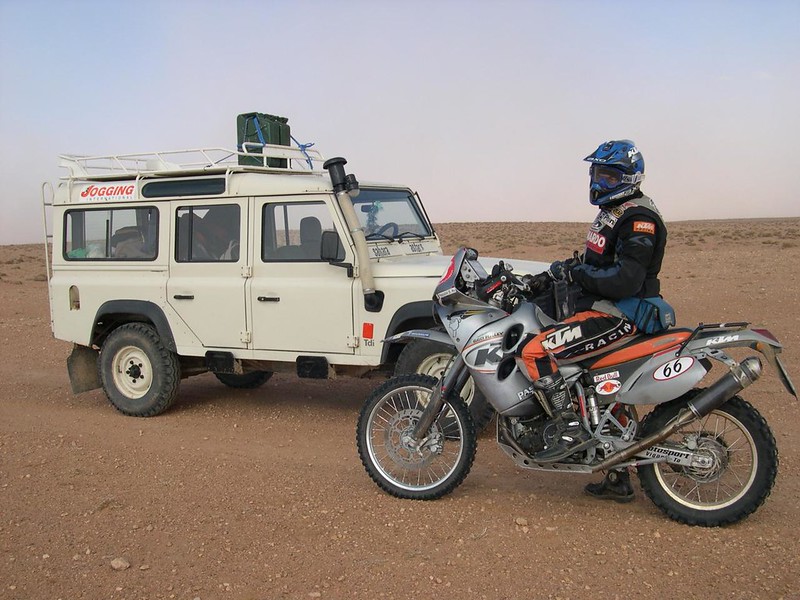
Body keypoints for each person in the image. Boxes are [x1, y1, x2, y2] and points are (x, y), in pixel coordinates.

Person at [519, 139, 667, 502]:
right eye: (596, 172)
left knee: (536, 352)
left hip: (620, 314)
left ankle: (568, 429)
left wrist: (578, 278)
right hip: (604, 308)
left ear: (628, 178)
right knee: (602, 387)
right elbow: (595, 264)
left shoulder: (639, 219)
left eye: (607, 175)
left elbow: (625, 280)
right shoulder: (615, 211)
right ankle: (617, 476)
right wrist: (557, 273)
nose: (598, 181)